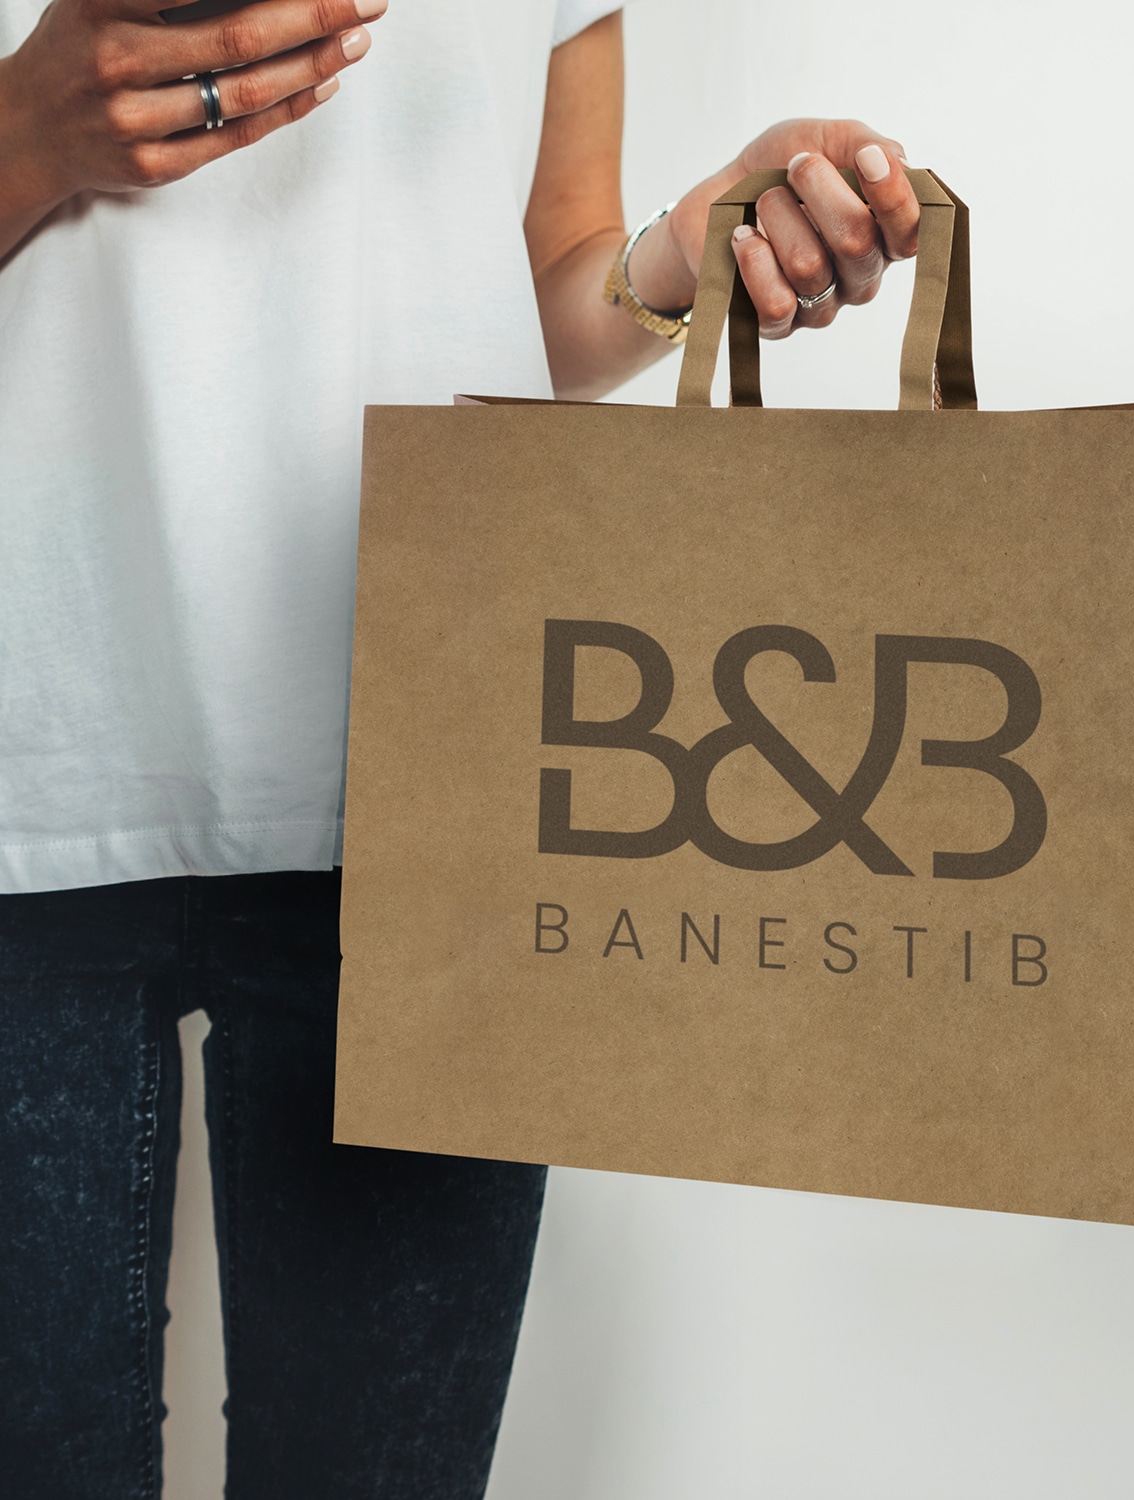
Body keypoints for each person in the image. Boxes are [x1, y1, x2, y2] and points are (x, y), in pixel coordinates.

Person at [0, 2, 920, 1494]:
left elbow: (531, 299)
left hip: (430, 766)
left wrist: (685, 250)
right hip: (30, 746)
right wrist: (22, 135)